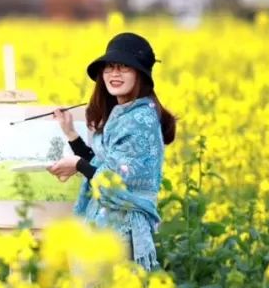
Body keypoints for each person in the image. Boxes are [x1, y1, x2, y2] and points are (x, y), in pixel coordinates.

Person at [46, 32, 177, 270]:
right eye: (109, 67)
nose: (114, 74)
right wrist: (71, 136)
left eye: (124, 67)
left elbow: (112, 181)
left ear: (141, 74)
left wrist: (77, 164)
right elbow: (104, 166)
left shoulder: (139, 120)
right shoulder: (124, 114)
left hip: (122, 235)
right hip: (106, 229)